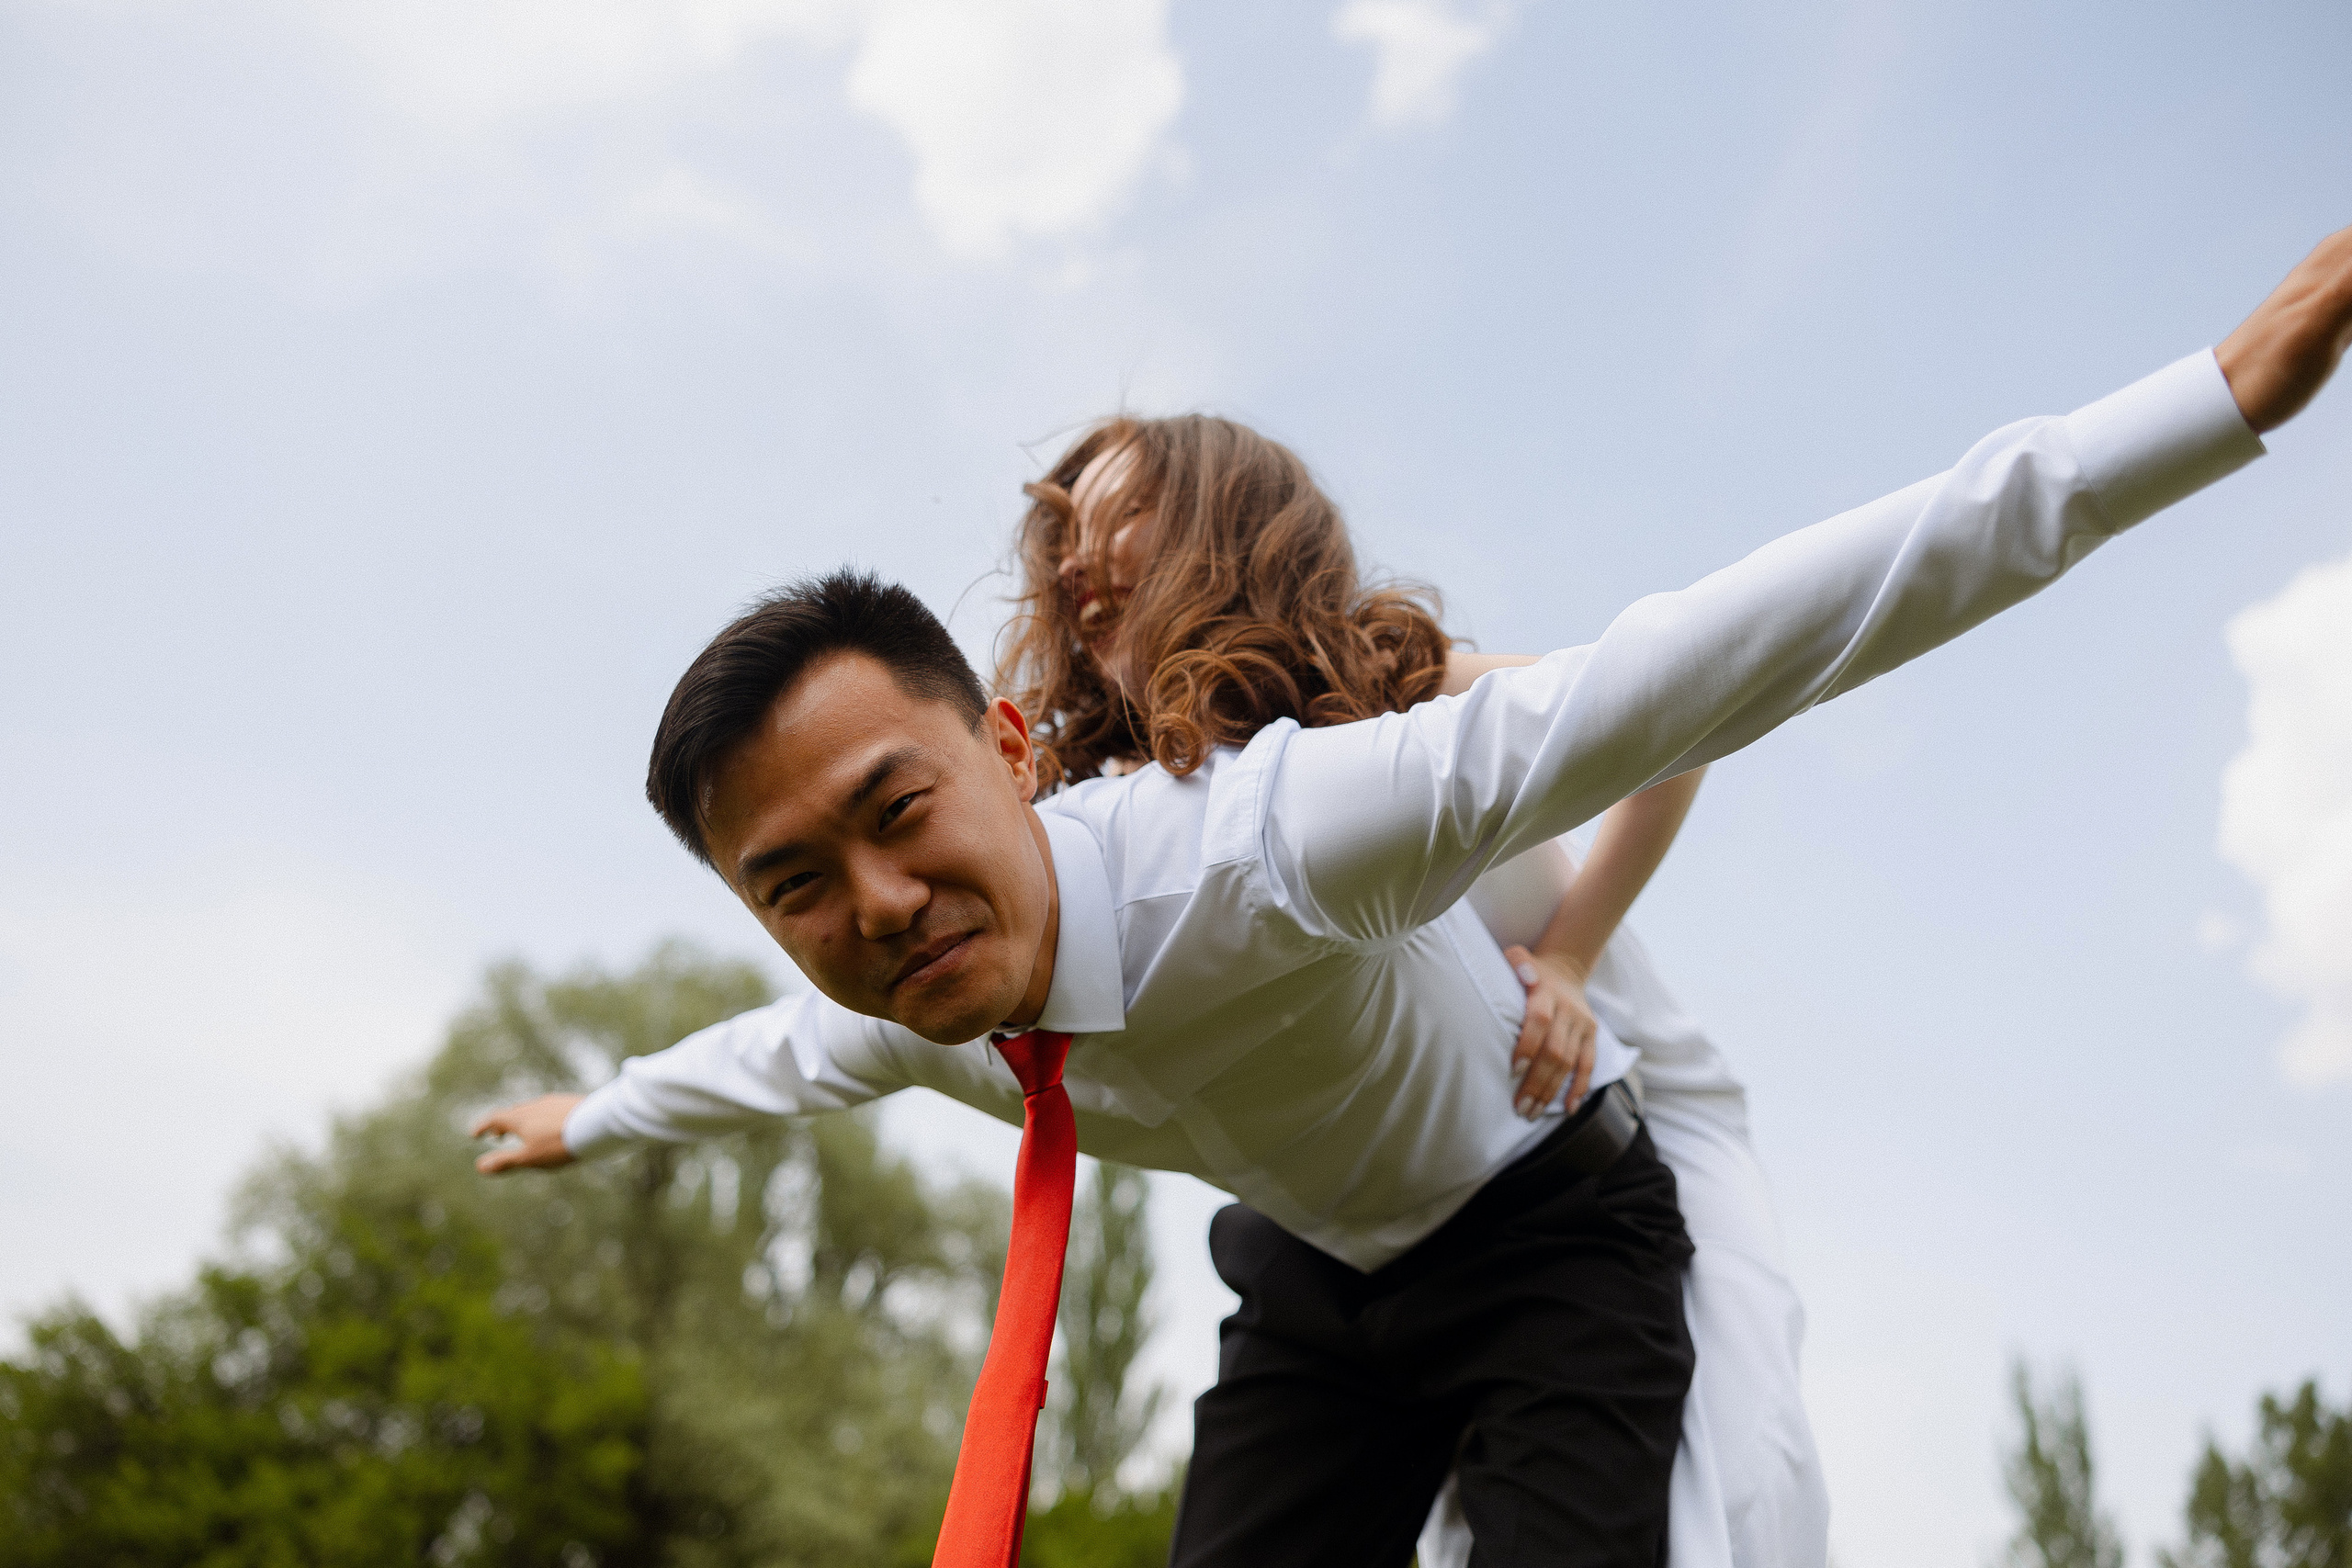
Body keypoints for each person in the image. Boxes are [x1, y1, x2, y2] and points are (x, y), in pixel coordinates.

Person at [471, 230, 2352, 1566]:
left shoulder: (1275, 832)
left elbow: (1705, 663)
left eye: (899, 814)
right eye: (798, 886)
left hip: (1548, 1244)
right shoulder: (897, 1007)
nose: (876, 908)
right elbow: (747, 1062)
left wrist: (2203, 407)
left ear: (1002, 743)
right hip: (1314, 1303)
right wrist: (581, 1114)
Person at [997, 420, 1817, 1568]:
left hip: (1547, 1194)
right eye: (1063, 537)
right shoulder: (1102, 793)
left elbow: (1671, 723)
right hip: (1322, 1259)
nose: (1080, 560)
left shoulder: (1379, 683)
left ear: (1217, 523)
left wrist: (1571, 961)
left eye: (1119, 518)